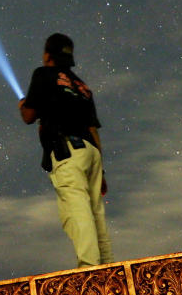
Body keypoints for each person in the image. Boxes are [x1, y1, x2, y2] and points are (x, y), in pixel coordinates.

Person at [19, 33, 113, 268]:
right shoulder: (83, 87)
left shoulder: (43, 74)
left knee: (77, 207)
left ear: (47, 55)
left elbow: (28, 116)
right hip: (91, 152)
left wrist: (23, 105)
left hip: (68, 150)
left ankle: (89, 267)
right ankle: (109, 268)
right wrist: (102, 170)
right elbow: (93, 128)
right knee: (96, 212)